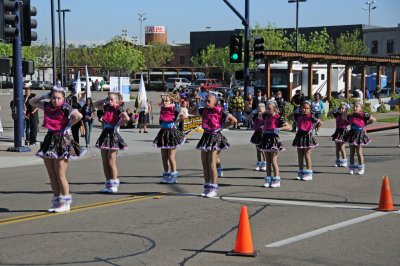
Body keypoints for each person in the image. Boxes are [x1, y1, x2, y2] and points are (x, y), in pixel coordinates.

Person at [29, 87, 84, 213]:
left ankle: (65, 202)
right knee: (52, 175)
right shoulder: (47, 105)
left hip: (61, 139)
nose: (55, 100)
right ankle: (57, 201)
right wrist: (45, 95)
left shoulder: (65, 107)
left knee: (60, 174)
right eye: (53, 97)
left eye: (59, 98)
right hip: (50, 138)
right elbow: (32, 102)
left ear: (63, 99)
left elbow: (78, 115)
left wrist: (69, 125)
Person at [196, 93, 237, 198]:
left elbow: (234, 120)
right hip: (205, 136)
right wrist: (198, 103)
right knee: (204, 164)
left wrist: (222, 127)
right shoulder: (203, 110)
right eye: (206, 101)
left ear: (215, 102)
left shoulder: (220, 110)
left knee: (211, 164)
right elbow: (191, 112)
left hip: (215, 137)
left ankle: (213, 188)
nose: (206, 102)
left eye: (209, 101)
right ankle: (207, 187)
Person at [94, 92, 129, 193]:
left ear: (117, 101)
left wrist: (123, 120)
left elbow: (126, 117)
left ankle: (114, 184)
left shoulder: (119, 109)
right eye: (108, 99)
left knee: (111, 161)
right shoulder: (106, 108)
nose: (109, 101)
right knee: (105, 162)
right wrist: (104, 100)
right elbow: (95, 104)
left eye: (112, 100)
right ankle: (108, 184)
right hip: (104, 135)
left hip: (113, 135)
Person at [153, 93, 187, 184]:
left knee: (171, 156)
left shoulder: (174, 108)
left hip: (172, 133)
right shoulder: (162, 108)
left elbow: (184, 116)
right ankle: (167, 176)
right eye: (163, 100)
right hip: (163, 133)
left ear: (171, 101)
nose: (164, 102)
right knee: (164, 157)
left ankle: (173, 177)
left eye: (166, 100)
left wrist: (176, 122)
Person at [257, 101, 290, 187]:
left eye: (269, 108)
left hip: (273, 139)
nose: (267, 110)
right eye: (266, 108)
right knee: (267, 161)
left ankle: (276, 180)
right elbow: (259, 116)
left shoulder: (278, 117)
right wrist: (265, 111)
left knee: (273, 161)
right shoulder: (266, 115)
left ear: (274, 108)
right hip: (265, 138)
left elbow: (288, 126)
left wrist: (279, 129)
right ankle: (268, 179)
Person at [291, 101, 323, 181]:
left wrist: (314, 126)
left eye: (307, 108)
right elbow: (290, 117)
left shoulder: (311, 117)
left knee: (307, 155)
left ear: (309, 109)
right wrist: (296, 111)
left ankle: (309, 173)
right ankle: (301, 173)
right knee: (300, 156)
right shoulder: (298, 116)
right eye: (304, 108)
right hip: (299, 136)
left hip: (308, 136)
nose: (305, 110)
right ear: (301, 108)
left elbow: (320, 123)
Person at [343, 102, 376, 175]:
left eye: (357, 107)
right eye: (354, 106)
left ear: (360, 108)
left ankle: (361, 168)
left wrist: (365, 124)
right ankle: (351, 168)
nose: (355, 108)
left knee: (359, 152)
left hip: (359, 134)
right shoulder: (351, 115)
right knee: (351, 152)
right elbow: (343, 117)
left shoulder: (364, 115)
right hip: (352, 133)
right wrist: (346, 109)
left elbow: (373, 119)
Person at [328, 103, 350, 167]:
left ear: (345, 109)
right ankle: (338, 161)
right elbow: (328, 114)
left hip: (343, 131)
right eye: (340, 108)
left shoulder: (346, 115)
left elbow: (350, 121)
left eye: (343, 108)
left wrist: (347, 123)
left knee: (342, 147)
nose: (341, 109)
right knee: (337, 148)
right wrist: (333, 109)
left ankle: (344, 161)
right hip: (337, 131)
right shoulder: (337, 114)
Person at [250, 103, 266, 171]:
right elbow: (250, 120)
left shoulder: (266, 117)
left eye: (261, 111)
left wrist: (262, 117)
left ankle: (265, 164)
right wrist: (253, 114)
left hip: (263, 134)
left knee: (262, 150)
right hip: (257, 133)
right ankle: (259, 164)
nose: (259, 112)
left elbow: (266, 124)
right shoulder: (256, 116)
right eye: (258, 110)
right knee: (258, 150)